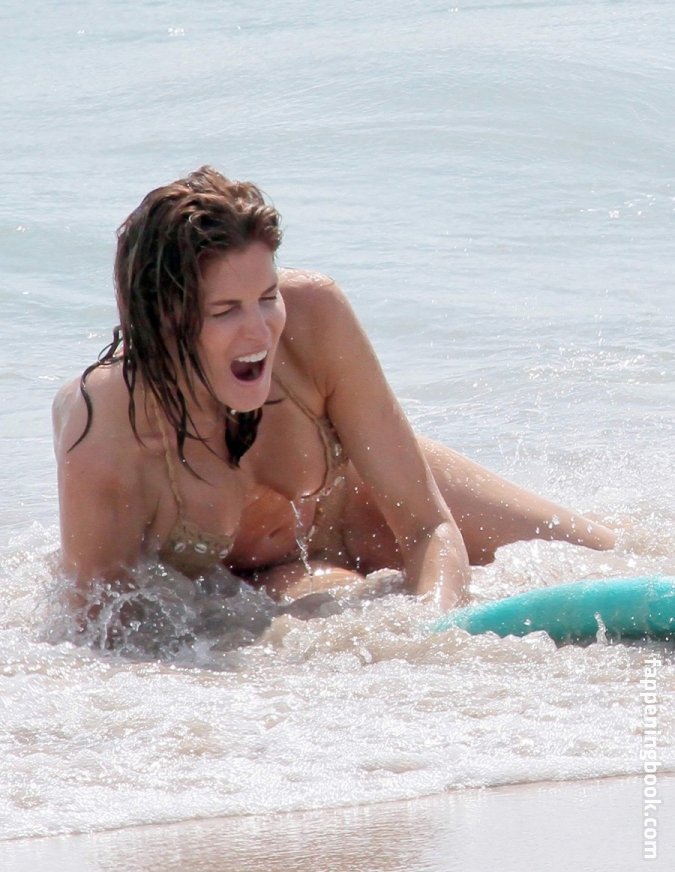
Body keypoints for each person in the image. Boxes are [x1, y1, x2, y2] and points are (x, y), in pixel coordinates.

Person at [53, 166, 615, 628]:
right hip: (268, 583)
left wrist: (435, 631)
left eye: (266, 297)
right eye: (225, 311)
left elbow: (428, 527)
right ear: (163, 319)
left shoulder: (313, 315)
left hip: (365, 499)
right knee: (330, 632)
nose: (260, 331)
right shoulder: (106, 425)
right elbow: (96, 624)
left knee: (601, 557)